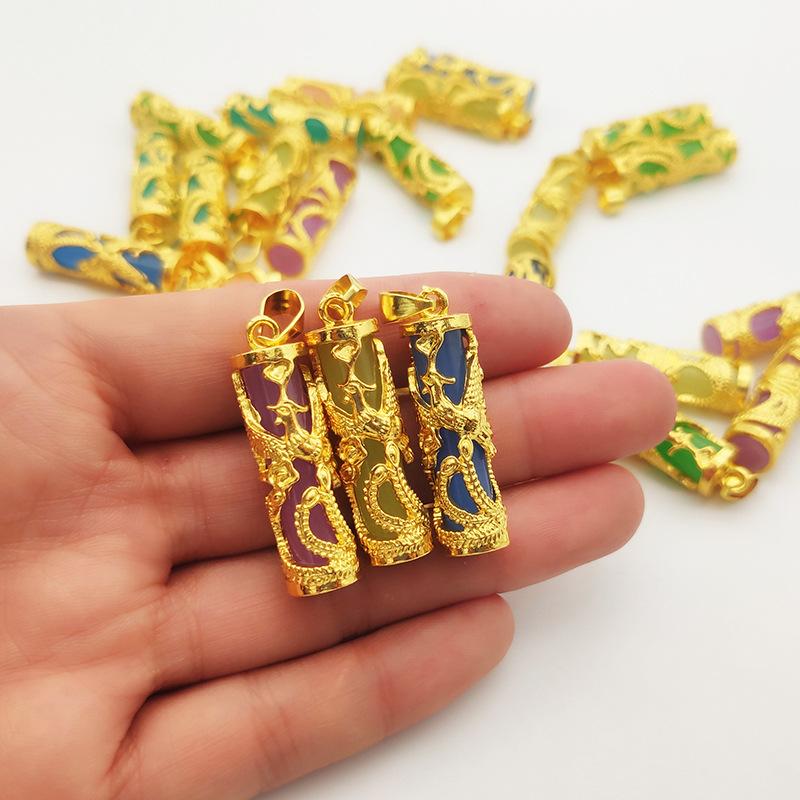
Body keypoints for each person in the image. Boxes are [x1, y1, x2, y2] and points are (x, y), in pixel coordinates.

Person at [0, 273, 675, 799]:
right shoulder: (284, 371)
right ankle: (388, 541)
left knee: (405, 444)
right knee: (321, 464)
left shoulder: (387, 351)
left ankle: (436, 527)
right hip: (326, 516)